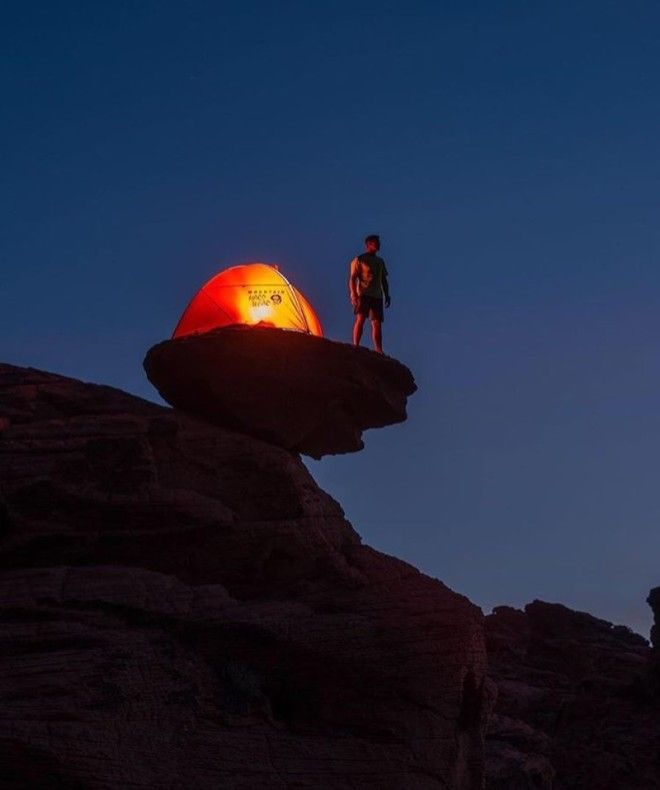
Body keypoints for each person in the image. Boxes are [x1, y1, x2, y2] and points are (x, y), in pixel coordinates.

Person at [349, 234, 391, 353]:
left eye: (378, 242)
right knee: (361, 318)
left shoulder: (380, 262)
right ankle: (355, 345)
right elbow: (352, 278)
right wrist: (353, 294)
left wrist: (387, 294)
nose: (378, 245)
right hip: (364, 294)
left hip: (377, 296)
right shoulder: (359, 259)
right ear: (368, 245)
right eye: (375, 243)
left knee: (377, 323)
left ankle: (379, 349)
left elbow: (383, 279)